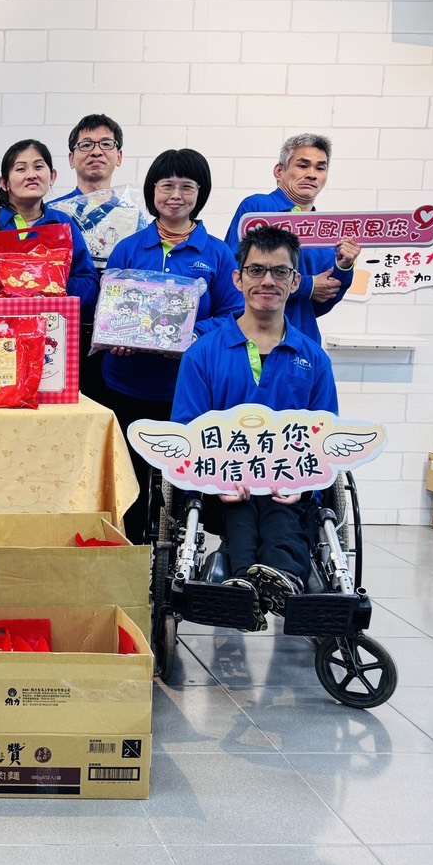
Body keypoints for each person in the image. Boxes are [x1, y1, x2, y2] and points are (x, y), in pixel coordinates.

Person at [172, 224, 340, 627]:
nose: (267, 281)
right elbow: (186, 431)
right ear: (238, 278)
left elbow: (326, 436)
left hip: (289, 485)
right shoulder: (203, 354)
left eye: (280, 271)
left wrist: (304, 485)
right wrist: (216, 480)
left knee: (282, 510)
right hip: (222, 486)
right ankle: (246, 581)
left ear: (295, 282)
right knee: (241, 508)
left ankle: (277, 577)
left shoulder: (313, 358)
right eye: (256, 270)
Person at [102, 148, 244, 544]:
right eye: (166, 185)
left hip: (186, 390)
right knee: (129, 478)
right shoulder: (129, 248)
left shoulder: (217, 253)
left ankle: (178, 549)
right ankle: (129, 549)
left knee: (181, 477)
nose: (175, 195)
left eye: (187, 186)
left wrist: (192, 334)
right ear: (153, 190)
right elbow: (109, 308)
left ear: (201, 193)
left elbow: (234, 314)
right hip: (126, 384)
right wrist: (116, 336)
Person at [224, 133, 360, 344]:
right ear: (279, 171)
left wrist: (344, 267)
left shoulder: (325, 230)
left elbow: (321, 302)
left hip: (301, 339)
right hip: (251, 337)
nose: (312, 175)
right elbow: (237, 272)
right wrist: (307, 286)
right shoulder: (259, 208)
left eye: (320, 168)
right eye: (303, 166)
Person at [50, 113, 138, 400]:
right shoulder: (52, 215)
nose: (96, 151)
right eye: (86, 144)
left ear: (119, 156)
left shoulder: (138, 218)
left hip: (117, 340)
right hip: (60, 332)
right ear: (71, 158)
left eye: (106, 144)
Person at [0, 138, 99, 315]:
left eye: (39, 167)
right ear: (4, 183)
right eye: (21, 169)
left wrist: (52, 286)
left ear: (52, 177)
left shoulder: (63, 226)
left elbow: (90, 284)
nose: (31, 175)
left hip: (51, 327)